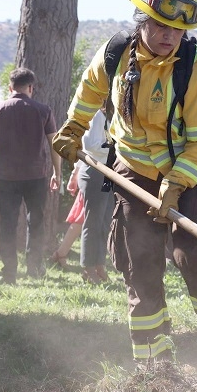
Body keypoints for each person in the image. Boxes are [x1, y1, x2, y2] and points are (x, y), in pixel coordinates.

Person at [52, 0, 197, 374]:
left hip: (190, 172)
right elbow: (90, 88)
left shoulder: (195, 67)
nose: (169, 36)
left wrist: (176, 183)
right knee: (138, 260)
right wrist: (73, 128)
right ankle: (154, 365)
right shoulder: (115, 53)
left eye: (178, 31)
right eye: (162, 26)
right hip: (133, 169)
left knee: (194, 256)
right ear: (143, 19)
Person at [0, 67, 60, 284]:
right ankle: (34, 267)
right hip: (36, 174)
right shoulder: (43, 110)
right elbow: (54, 143)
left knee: (7, 223)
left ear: (10, 87)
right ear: (30, 87)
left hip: (7, 175)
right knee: (36, 221)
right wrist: (57, 172)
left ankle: (9, 271)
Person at [77, 108, 114, 284]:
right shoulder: (97, 115)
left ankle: (100, 265)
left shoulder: (111, 116)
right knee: (93, 223)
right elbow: (90, 145)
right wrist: (116, 149)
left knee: (105, 222)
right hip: (95, 171)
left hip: (109, 172)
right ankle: (88, 267)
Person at [50, 164, 83, 270]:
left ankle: (61, 253)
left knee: (83, 217)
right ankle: (93, 265)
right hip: (95, 172)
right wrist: (75, 173)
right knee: (83, 216)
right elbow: (85, 149)